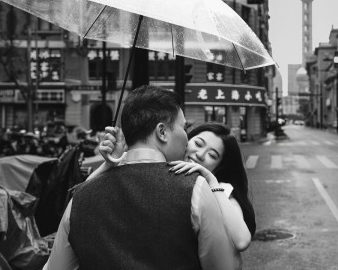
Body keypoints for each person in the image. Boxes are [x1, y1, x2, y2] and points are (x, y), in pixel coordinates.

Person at [43, 85, 241, 270]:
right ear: (162, 132)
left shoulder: (80, 198)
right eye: (183, 127)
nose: (187, 137)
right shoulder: (195, 189)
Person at [97, 122, 256, 252]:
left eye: (212, 155)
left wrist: (213, 183)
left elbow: (242, 241)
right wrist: (110, 163)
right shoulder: (157, 167)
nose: (200, 154)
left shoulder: (221, 191)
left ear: (219, 167)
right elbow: (82, 197)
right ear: (187, 140)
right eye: (198, 143)